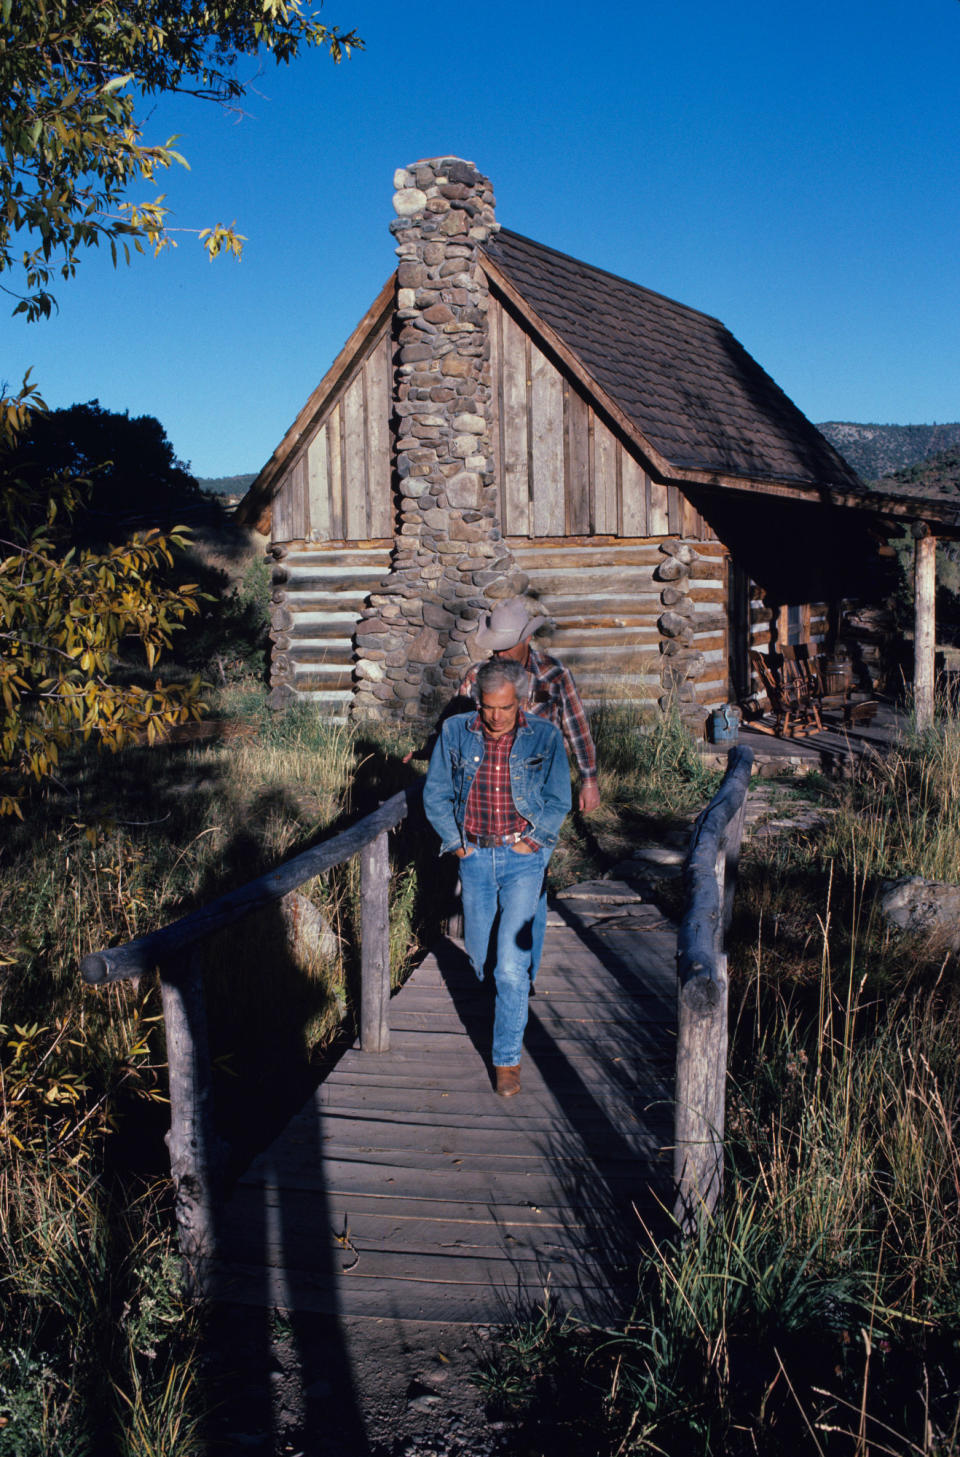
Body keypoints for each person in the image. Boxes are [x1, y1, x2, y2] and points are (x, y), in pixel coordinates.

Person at [422, 658, 571, 1097]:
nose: (497, 717)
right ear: (478, 701)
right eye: (489, 707)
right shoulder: (455, 733)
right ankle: (515, 991)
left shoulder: (544, 735)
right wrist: (458, 842)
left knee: (509, 967)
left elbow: (557, 798)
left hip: (523, 856)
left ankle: (506, 1058)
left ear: (521, 701)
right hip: (475, 856)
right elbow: (436, 794)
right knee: (482, 960)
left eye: (506, 708)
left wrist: (537, 840)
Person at [461, 598, 600, 814]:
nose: (500, 654)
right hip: (491, 781)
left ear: (528, 638)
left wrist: (589, 782)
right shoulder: (476, 677)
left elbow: (577, 729)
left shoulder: (554, 675)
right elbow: (456, 725)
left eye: (507, 646)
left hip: (541, 779)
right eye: (496, 647)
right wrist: (430, 748)